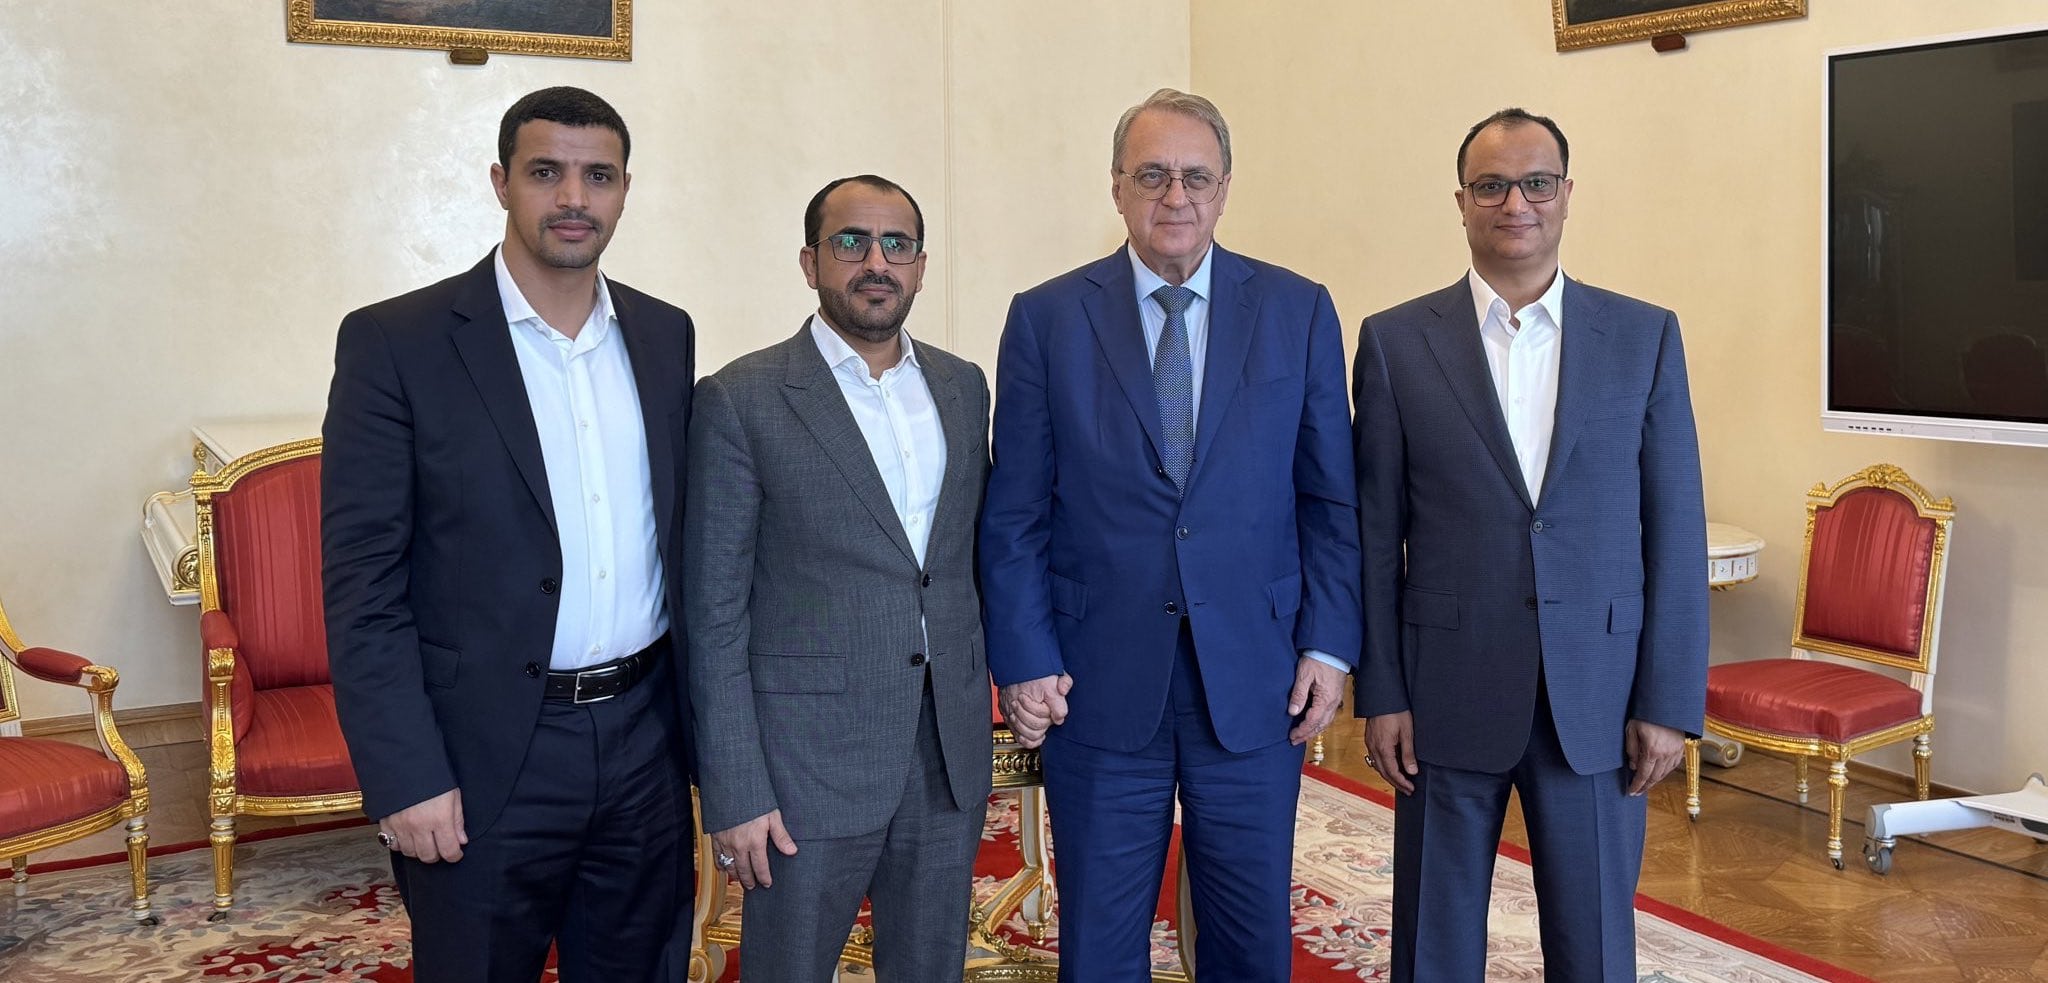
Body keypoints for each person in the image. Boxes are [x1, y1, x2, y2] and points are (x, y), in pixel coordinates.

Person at [979, 88, 1362, 981]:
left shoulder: (1299, 309)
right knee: (1100, 944)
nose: (1175, 196)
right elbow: (1015, 514)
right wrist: (1025, 658)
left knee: (1251, 938)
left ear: (1225, 188)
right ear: (1116, 187)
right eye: (1152, 175)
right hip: (1096, 679)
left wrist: (1329, 644)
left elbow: (1329, 501)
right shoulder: (1046, 318)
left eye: (1195, 176)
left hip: (1258, 678)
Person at [321, 86, 696, 983]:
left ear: (625, 190)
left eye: (597, 176)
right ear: (501, 182)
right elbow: (363, 585)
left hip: (645, 745)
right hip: (482, 755)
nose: (573, 198)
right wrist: (406, 774)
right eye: (545, 172)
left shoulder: (665, 334)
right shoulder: (398, 343)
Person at [1351, 107, 1709, 981]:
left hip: (1597, 697)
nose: (1516, 203)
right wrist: (1381, 690)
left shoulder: (1644, 336)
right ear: (1461, 202)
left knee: (1594, 949)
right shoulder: (1395, 342)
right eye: (1491, 186)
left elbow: (1676, 528)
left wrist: (1667, 699)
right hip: (1444, 693)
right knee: (1433, 947)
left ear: (1567, 193)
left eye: (1536, 183)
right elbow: (1374, 535)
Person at [685, 175, 993, 981]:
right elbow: (713, 614)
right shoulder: (741, 398)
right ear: (810, 262)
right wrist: (735, 787)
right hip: (804, 766)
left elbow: (967, 560)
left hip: (945, 751)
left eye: (897, 244)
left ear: (920, 266)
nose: (876, 262)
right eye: (851, 242)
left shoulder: (963, 387)